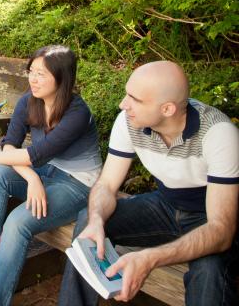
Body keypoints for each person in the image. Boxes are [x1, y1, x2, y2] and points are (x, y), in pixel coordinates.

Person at [58, 61, 239, 306]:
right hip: (166, 205)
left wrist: (149, 258)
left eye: (135, 99)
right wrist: (97, 220)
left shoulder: (218, 133)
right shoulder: (128, 122)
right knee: (88, 222)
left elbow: (221, 231)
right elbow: (107, 185)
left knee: (209, 271)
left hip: (210, 217)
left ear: (167, 109)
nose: (123, 104)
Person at [0, 45, 103, 306]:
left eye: (41, 74)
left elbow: (33, 154)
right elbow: (11, 145)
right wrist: (32, 178)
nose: (33, 79)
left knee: (18, 221)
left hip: (78, 184)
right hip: (45, 170)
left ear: (63, 78)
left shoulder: (77, 113)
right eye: (31, 71)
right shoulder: (29, 100)